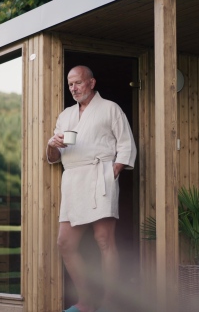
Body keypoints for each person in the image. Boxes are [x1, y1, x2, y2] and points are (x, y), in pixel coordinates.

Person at [47, 65, 137, 312]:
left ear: (91, 83)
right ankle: (85, 302)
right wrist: (52, 144)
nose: (73, 88)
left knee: (104, 240)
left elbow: (126, 144)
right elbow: (54, 157)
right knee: (65, 243)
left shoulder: (110, 109)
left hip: (100, 177)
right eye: (70, 84)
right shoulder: (65, 115)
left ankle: (109, 302)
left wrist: (113, 172)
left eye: (77, 83)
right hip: (74, 180)